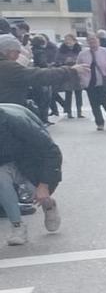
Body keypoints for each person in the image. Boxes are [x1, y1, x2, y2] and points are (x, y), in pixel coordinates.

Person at [0, 100, 61, 248]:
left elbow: (51, 151)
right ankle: (17, 227)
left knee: (35, 191)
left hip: (32, 158)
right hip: (4, 160)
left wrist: (44, 185)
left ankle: (49, 204)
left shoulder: (17, 122)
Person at [0, 33, 75, 114]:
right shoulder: (7, 66)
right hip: (8, 113)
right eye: (17, 52)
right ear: (8, 51)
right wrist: (69, 70)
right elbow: (37, 75)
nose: (18, 56)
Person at [75, 31, 106, 131]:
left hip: (104, 81)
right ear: (87, 42)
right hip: (90, 83)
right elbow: (78, 67)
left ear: (98, 41)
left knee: (105, 102)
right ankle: (99, 123)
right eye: (90, 41)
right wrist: (81, 79)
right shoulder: (83, 54)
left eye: (94, 40)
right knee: (94, 103)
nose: (92, 42)